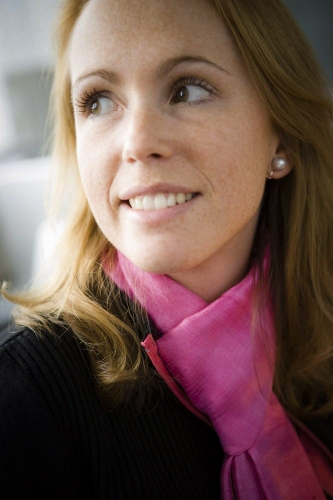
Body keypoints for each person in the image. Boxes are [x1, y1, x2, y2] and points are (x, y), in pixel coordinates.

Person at [1, 0, 333, 498]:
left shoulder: (320, 327)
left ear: (280, 130)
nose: (136, 142)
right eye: (98, 100)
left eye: (187, 90)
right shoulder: (23, 397)